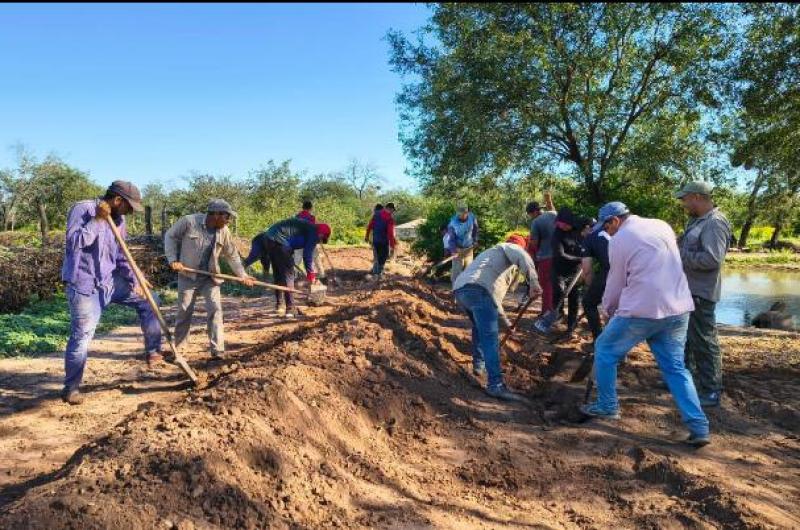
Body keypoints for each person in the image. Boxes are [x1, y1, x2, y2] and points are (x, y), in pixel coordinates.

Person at [579, 202, 710, 448]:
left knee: (605, 349)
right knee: (676, 368)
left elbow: (616, 282)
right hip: (678, 307)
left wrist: (607, 309)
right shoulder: (662, 225)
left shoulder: (619, 240)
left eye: (606, 226)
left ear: (615, 220)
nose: (606, 232)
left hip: (642, 309)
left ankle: (607, 406)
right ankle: (699, 426)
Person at [60, 181, 162, 405]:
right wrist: (97, 220)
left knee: (150, 299)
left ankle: (154, 352)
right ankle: (71, 388)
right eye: (128, 206)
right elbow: (74, 243)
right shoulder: (83, 209)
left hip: (110, 281)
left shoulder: (119, 220)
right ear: (117, 200)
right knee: (82, 337)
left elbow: (121, 255)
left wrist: (136, 278)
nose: (129, 212)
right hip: (84, 284)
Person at [453, 235, 541, 402]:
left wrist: (506, 323)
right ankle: (496, 385)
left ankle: (479, 366)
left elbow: (494, 303)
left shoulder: (489, 256)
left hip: (461, 291)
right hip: (479, 291)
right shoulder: (509, 247)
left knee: (479, 328)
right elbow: (522, 256)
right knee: (490, 338)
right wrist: (534, 282)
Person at [164, 199, 255, 360]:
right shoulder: (189, 222)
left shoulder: (224, 231)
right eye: (226, 216)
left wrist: (243, 276)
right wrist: (172, 260)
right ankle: (178, 349)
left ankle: (217, 350)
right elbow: (170, 236)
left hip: (210, 277)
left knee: (215, 310)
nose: (228, 220)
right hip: (187, 275)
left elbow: (232, 255)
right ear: (216, 215)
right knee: (184, 311)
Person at [675, 181, 732, 408]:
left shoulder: (715, 223)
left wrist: (679, 255)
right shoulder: (696, 221)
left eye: (685, 199)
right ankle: (685, 381)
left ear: (697, 197)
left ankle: (711, 390)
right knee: (687, 338)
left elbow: (712, 259)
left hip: (701, 291)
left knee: (705, 341)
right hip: (689, 289)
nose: (684, 203)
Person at [243, 218, 331, 318]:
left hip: (268, 238)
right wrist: (311, 276)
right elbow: (307, 255)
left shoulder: (307, 227)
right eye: (321, 240)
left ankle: (279, 305)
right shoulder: (314, 233)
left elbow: (292, 239)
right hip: (279, 241)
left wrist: (289, 252)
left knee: (278, 273)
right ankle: (290, 308)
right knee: (289, 275)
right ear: (322, 234)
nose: (319, 242)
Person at [548, 207, 585, 334]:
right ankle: (558, 316)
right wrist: (581, 259)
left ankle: (571, 327)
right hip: (559, 269)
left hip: (575, 271)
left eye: (564, 225)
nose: (562, 227)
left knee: (574, 298)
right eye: (559, 224)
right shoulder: (556, 235)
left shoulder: (580, 228)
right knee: (559, 291)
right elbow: (560, 255)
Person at [580, 219, 611, 343]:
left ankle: (599, 339)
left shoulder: (590, 238)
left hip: (610, 271)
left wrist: (589, 287)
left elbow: (587, 270)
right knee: (617, 309)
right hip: (634, 273)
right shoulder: (621, 232)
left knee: (588, 303)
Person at [526, 191, 557, 314]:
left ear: (533, 212)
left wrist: (531, 251)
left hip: (545, 257)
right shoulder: (553, 214)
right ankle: (557, 311)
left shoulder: (536, 222)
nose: (530, 217)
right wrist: (549, 200)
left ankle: (546, 312)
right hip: (560, 255)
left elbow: (534, 242)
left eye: (530, 214)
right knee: (556, 285)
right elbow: (552, 208)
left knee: (546, 286)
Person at [446, 202, 479, 286]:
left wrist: (475, 240)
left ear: (467, 213)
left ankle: (466, 293)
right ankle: (455, 292)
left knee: (469, 272)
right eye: (459, 214)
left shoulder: (472, 217)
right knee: (456, 274)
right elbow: (451, 239)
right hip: (458, 250)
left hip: (469, 249)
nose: (461, 216)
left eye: (463, 214)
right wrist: (454, 250)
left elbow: (475, 229)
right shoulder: (453, 223)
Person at [294, 200, 325, 282]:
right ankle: (321, 276)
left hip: (298, 242)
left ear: (302, 207)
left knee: (296, 261)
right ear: (311, 208)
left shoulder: (296, 217)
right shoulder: (311, 218)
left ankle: (293, 279)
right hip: (309, 242)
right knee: (315, 258)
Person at [365, 202, 397, 279]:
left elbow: (369, 226)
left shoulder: (376, 215)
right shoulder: (389, 218)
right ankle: (379, 273)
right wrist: (392, 246)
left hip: (375, 241)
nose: (392, 212)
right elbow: (390, 233)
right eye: (392, 210)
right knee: (383, 256)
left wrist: (366, 236)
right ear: (390, 208)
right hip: (384, 242)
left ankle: (375, 271)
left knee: (377, 256)